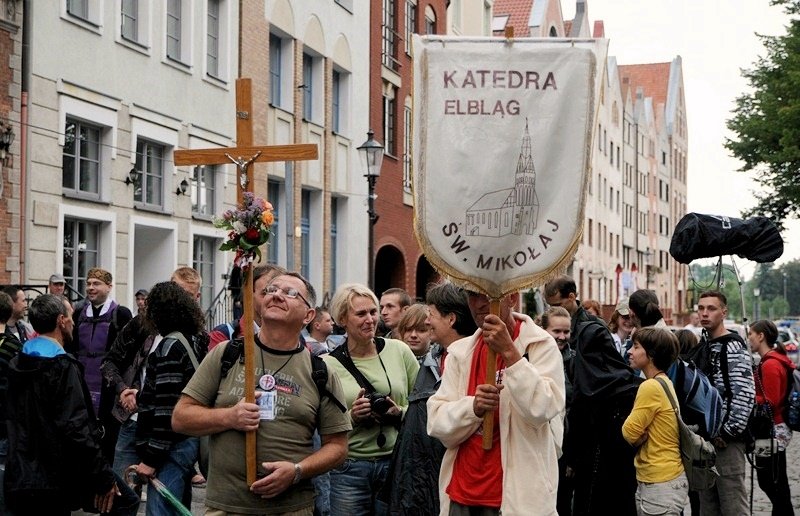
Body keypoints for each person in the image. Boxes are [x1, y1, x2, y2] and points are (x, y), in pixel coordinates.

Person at [172, 271, 351, 515]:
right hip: (225, 507)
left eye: (290, 293)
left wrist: (297, 471)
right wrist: (229, 417)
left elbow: (338, 447)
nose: (276, 295)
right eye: (271, 290)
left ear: (309, 315)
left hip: (291, 508)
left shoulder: (320, 370)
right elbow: (181, 418)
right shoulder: (227, 354)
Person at [427, 287, 564, 515]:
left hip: (516, 498)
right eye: (473, 295)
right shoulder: (460, 353)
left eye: (488, 296)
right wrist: (473, 407)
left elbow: (544, 408)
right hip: (462, 492)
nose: (479, 304)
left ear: (512, 298)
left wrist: (510, 353)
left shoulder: (540, 345)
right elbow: (436, 422)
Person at [3, 294, 139, 515]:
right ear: (61, 320)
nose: (74, 322)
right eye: (71, 317)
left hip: (20, 469)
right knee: (126, 500)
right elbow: (76, 427)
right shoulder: (62, 366)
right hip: (57, 473)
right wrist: (103, 476)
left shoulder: (17, 361)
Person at [544, 275, 640, 515]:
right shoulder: (548, 341)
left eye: (557, 304)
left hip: (587, 431)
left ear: (571, 297)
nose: (562, 337)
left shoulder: (591, 330)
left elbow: (590, 388)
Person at [323, 283, 420, 515]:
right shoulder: (326, 364)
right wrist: (353, 416)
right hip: (348, 469)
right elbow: (321, 423)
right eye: (361, 313)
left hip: (394, 464)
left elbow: (424, 405)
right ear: (342, 319)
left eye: (373, 312)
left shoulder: (399, 351)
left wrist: (399, 413)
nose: (370, 319)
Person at [381, 282, 477, 515]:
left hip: (450, 482)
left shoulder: (471, 361)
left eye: (431, 315)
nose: (427, 321)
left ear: (451, 319)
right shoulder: (432, 360)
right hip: (416, 485)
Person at [101, 267, 204, 481]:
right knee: (123, 492)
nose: (179, 302)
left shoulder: (198, 336)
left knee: (166, 503)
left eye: (187, 296)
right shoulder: (142, 324)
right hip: (133, 419)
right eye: (176, 293)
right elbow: (110, 361)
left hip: (175, 430)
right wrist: (124, 391)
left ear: (197, 297)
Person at [135, 281, 209, 515]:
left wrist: (150, 459)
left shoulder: (169, 347)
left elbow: (167, 410)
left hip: (172, 446)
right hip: (187, 441)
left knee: (161, 511)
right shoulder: (195, 340)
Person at [693, 291, 755, 516]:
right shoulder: (705, 345)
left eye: (711, 308)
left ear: (723, 312)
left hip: (727, 443)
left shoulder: (733, 346)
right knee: (708, 508)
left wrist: (727, 433)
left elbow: (744, 395)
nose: (704, 313)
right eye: (701, 308)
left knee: (732, 506)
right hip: (705, 441)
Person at [69, 267, 133, 462]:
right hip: (81, 383)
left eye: (96, 283)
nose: (90, 287)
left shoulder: (121, 314)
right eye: (88, 283)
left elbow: (129, 353)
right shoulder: (79, 312)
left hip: (109, 388)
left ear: (109, 286)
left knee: (108, 440)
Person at [622, 328, 688, 516]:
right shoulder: (663, 381)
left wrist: (638, 437)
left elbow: (629, 432)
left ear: (650, 354)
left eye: (635, 347)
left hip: (659, 481)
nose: (630, 351)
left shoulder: (650, 386)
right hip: (664, 478)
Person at [748, 320, 794, 515]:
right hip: (770, 429)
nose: (749, 337)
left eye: (751, 333)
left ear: (761, 336)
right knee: (775, 479)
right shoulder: (770, 360)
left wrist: (749, 396)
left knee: (769, 479)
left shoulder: (770, 364)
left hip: (771, 430)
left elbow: (771, 400)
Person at [537, 306, 575, 516]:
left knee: (562, 502)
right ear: (544, 330)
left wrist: (572, 457)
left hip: (564, 446)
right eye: (556, 331)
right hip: (539, 444)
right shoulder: (529, 358)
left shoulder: (574, 361)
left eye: (566, 332)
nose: (562, 337)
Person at [208, 264, 286, 349]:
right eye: (266, 292)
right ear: (249, 295)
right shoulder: (224, 335)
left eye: (285, 293)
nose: (275, 298)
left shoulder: (295, 338)